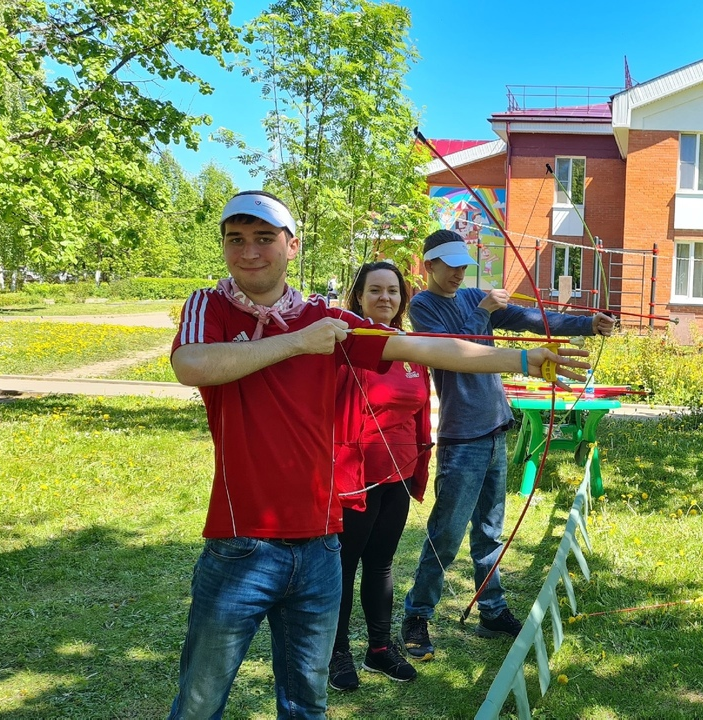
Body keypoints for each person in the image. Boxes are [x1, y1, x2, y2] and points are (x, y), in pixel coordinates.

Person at [166, 192, 589, 719]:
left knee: (307, 703)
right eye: (236, 239)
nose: (249, 251)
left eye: (264, 238)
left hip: (321, 542)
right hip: (240, 544)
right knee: (200, 701)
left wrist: (521, 358)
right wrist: (298, 342)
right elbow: (191, 364)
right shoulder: (211, 305)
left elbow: (423, 347)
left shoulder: (325, 317)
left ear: (292, 246)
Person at [399, 229, 616, 661]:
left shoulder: (471, 296)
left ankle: (492, 610)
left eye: (463, 265)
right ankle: (417, 615)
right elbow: (456, 350)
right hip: (462, 437)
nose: (459, 273)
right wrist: (483, 310)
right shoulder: (423, 307)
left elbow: (531, 319)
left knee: (490, 532)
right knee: (447, 534)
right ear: (429, 265)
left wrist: (587, 324)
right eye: (450, 265)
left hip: (494, 426)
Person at [327, 261, 429, 691]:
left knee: (382, 562)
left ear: (402, 298)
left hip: (398, 472)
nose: (385, 297)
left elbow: (420, 410)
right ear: (359, 296)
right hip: (356, 476)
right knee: (344, 565)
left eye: (393, 290)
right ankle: (335, 654)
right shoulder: (347, 343)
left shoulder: (411, 348)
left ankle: (380, 649)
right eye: (375, 290)